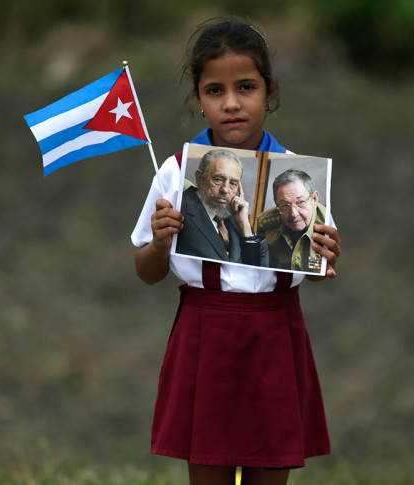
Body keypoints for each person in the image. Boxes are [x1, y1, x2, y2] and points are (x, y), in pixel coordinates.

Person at [131, 18, 341, 485]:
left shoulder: (298, 180)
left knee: (270, 471)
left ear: (269, 93)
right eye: (214, 90)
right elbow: (147, 271)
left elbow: (319, 263)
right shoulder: (172, 174)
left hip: (275, 333)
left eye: (245, 87)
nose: (231, 103)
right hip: (205, 332)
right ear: (198, 100)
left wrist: (327, 253)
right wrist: (161, 242)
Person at [176, 148, 268, 266]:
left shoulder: (234, 213)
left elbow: (261, 268)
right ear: (199, 178)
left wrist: (244, 224)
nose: (225, 189)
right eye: (218, 180)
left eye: (233, 183)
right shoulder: (179, 209)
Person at [257, 169, 327, 273]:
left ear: (315, 199)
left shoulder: (328, 225)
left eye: (300, 202)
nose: (293, 214)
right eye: (285, 205)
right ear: (277, 204)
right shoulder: (265, 223)